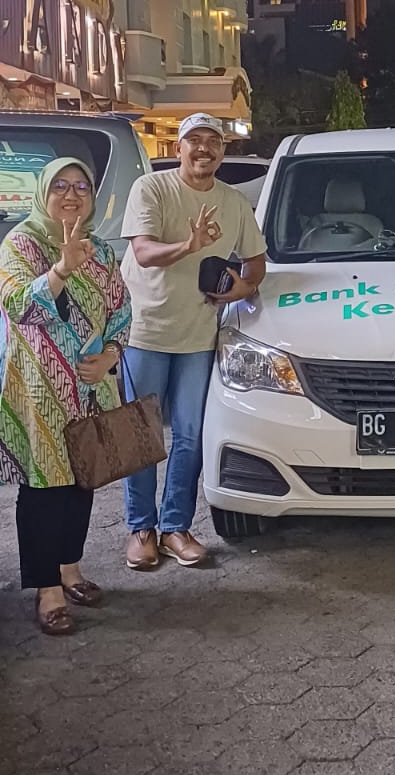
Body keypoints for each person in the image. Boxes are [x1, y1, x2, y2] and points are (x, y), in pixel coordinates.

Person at [120, 113, 267, 570]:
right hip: (144, 331)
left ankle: (176, 527)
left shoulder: (234, 201)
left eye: (213, 142)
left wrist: (243, 289)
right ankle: (140, 528)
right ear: (180, 148)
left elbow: (255, 261)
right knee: (141, 435)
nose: (204, 149)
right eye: (195, 141)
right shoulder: (152, 189)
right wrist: (189, 244)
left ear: (223, 151)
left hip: (198, 336)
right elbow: (143, 252)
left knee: (190, 435)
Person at [0, 159, 131, 635]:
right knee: (42, 486)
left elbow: (120, 311)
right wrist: (59, 269)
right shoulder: (21, 243)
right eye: (60, 186)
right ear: (43, 193)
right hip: (39, 387)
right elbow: (15, 304)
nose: (72, 194)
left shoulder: (100, 251)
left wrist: (111, 355)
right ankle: (46, 588)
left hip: (90, 386)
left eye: (81, 187)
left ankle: (70, 568)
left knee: (82, 479)